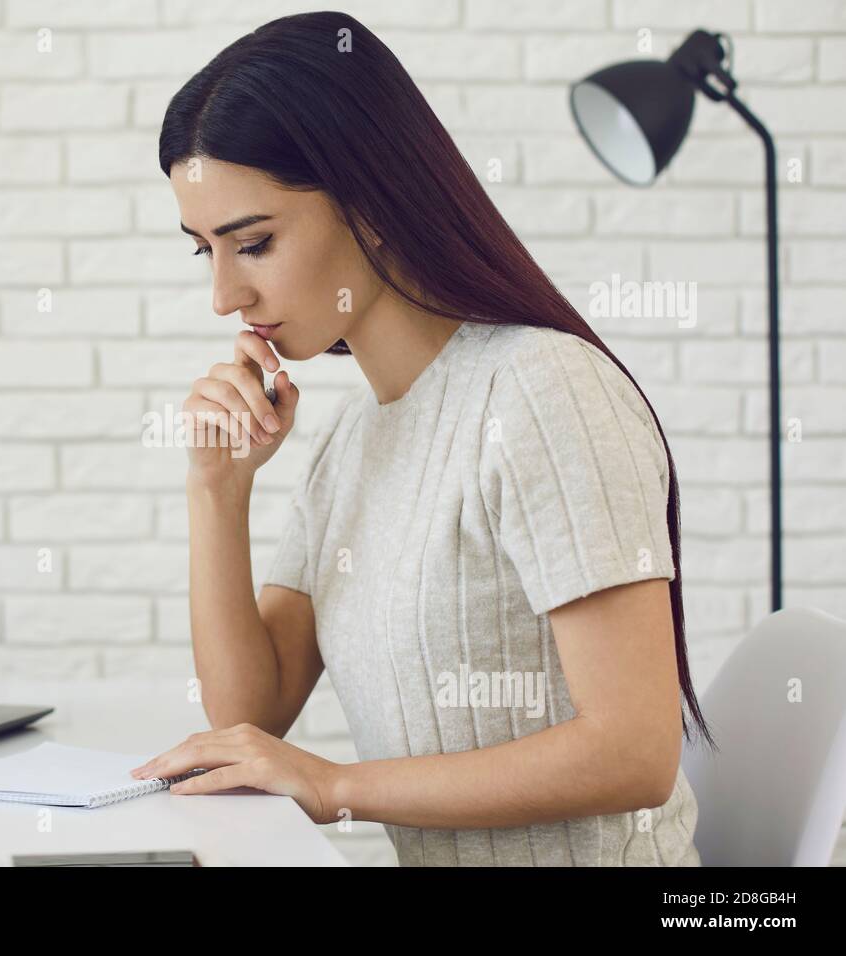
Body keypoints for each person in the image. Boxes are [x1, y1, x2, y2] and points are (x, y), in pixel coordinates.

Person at [130, 11, 711, 866]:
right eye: (203, 252)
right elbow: (249, 716)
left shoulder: (544, 390)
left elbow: (635, 751)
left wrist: (336, 787)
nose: (224, 296)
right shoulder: (353, 437)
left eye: (252, 243)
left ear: (368, 203)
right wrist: (218, 488)